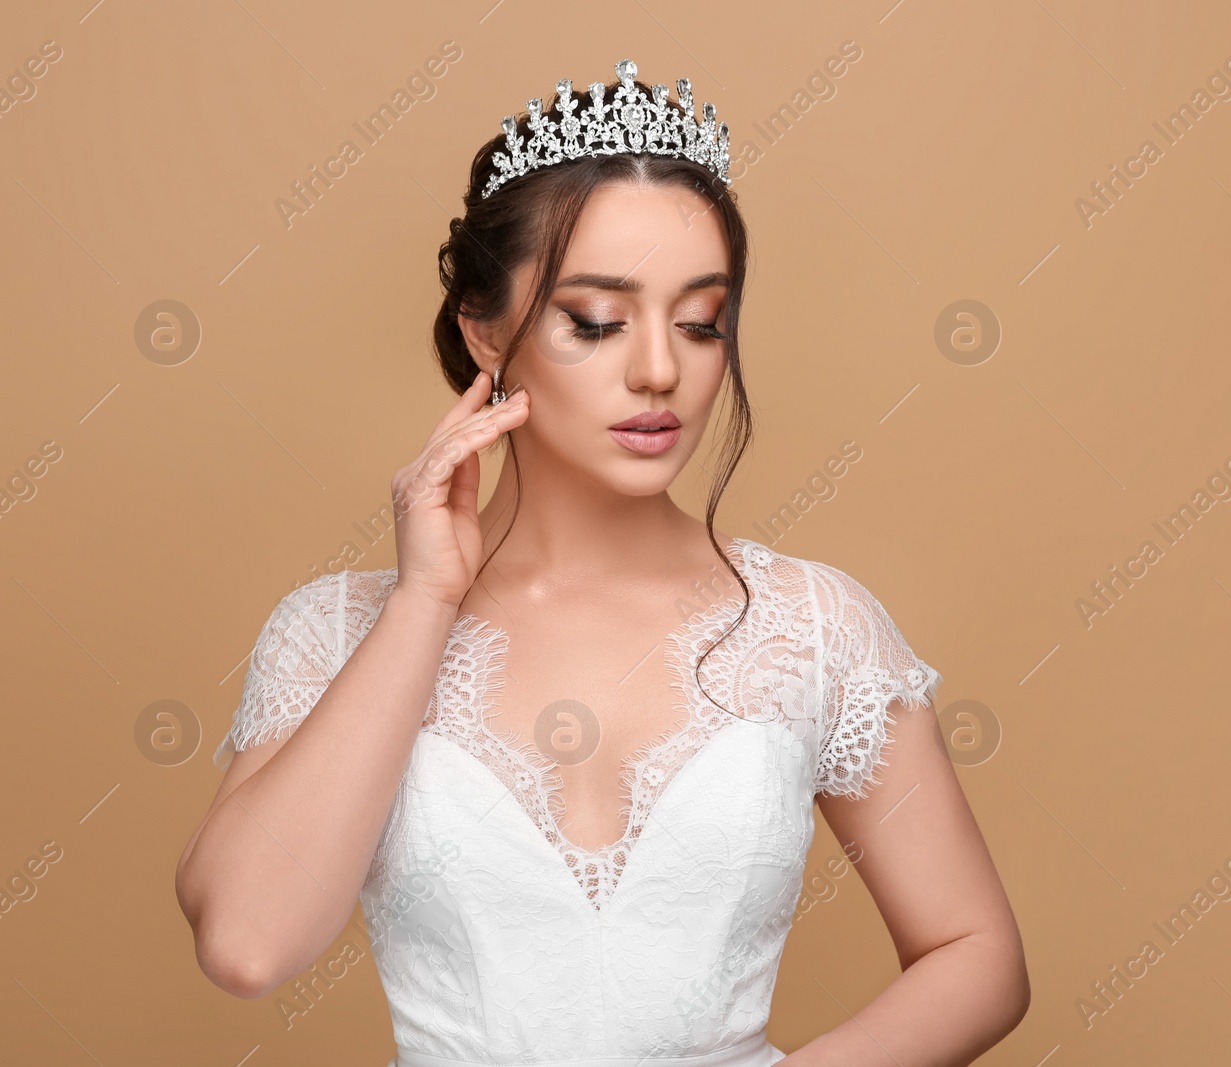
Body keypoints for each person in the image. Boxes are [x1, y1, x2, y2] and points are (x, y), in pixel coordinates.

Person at [174, 57, 1028, 1067]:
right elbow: (247, 942)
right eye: (597, 321)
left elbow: (979, 956)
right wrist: (424, 602)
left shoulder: (812, 624)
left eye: (702, 320)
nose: (662, 367)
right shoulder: (333, 631)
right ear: (485, 332)